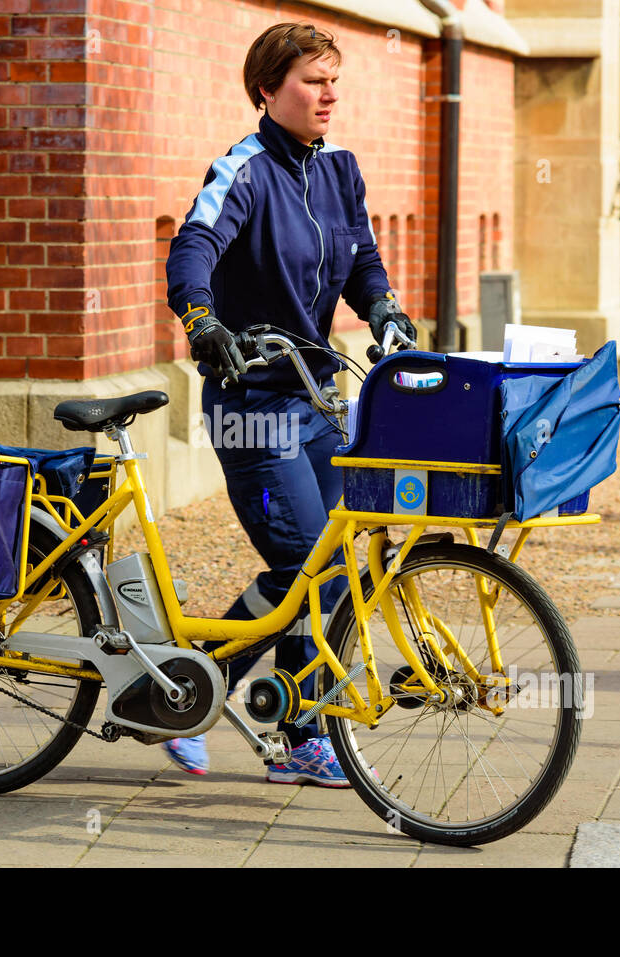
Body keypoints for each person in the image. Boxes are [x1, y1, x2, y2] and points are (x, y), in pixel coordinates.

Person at [162, 22, 415, 786]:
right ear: (268, 90)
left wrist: (387, 310)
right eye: (312, 80)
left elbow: (363, 257)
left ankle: (299, 732)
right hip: (254, 406)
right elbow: (194, 245)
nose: (328, 94)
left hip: (320, 398)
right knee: (305, 561)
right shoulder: (241, 168)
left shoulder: (340, 169)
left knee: (334, 564)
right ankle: (189, 690)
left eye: (334, 79)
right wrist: (201, 319)